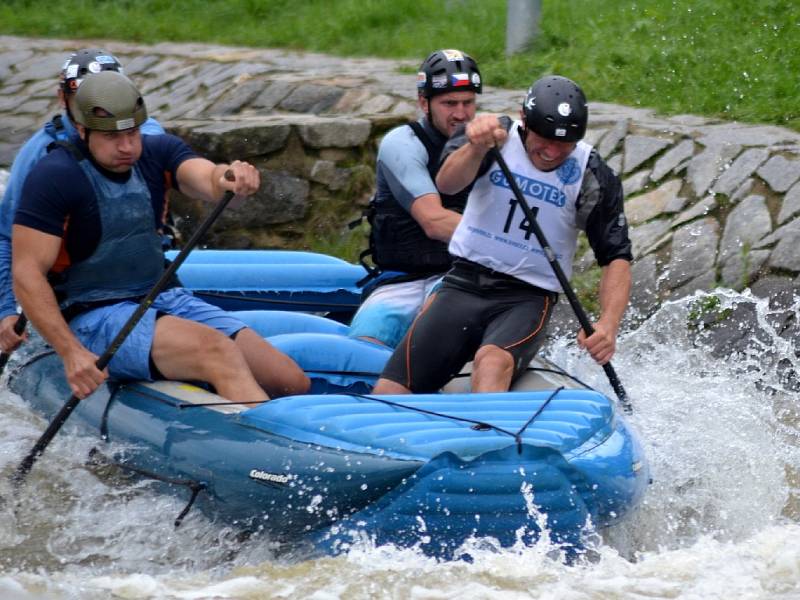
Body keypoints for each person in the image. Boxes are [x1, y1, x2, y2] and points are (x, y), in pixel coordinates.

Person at [12, 70, 310, 402]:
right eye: (112, 137)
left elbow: (208, 177)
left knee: (289, 380)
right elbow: (26, 273)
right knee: (217, 352)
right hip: (92, 316)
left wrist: (230, 177)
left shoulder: (157, 152)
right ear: (82, 130)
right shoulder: (54, 176)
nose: (127, 147)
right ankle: (259, 446)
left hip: (160, 297)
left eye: (133, 133)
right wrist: (71, 353)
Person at [373, 75, 632, 394]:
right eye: (544, 139)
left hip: (527, 297)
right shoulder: (493, 138)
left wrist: (608, 323)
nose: (551, 152)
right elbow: (447, 184)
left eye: (563, 144)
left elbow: (616, 256)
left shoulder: (592, 175)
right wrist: (475, 146)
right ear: (524, 121)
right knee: (389, 391)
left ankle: (486, 439)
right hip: (463, 284)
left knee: (491, 362)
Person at [0, 48, 165, 354]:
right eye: (83, 101)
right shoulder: (40, 155)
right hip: (74, 291)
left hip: (139, 275)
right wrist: (6, 308)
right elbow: (7, 236)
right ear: (62, 99)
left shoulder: (146, 137)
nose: (97, 111)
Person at [347, 49, 481, 347]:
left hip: (460, 276)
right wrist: (503, 243)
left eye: (468, 102)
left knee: (433, 331)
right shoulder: (402, 144)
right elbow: (433, 221)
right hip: (400, 279)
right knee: (364, 344)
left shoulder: (487, 142)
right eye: (449, 104)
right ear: (424, 103)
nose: (461, 114)